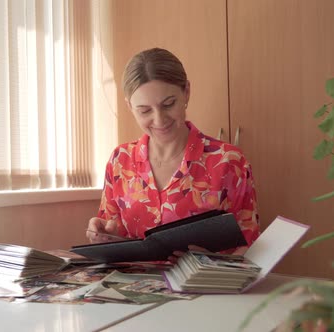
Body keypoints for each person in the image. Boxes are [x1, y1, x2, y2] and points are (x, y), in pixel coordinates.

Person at [86, 48, 260, 259]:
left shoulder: (228, 161)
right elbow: (113, 231)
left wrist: (213, 262)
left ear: (186, 92)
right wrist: (106, 234)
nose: (159, 120)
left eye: (168, 104)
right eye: (145, 111)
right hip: (132, 286)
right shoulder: (120, 161)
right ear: (129, 106)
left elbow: (250, 246)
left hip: (207, 288)